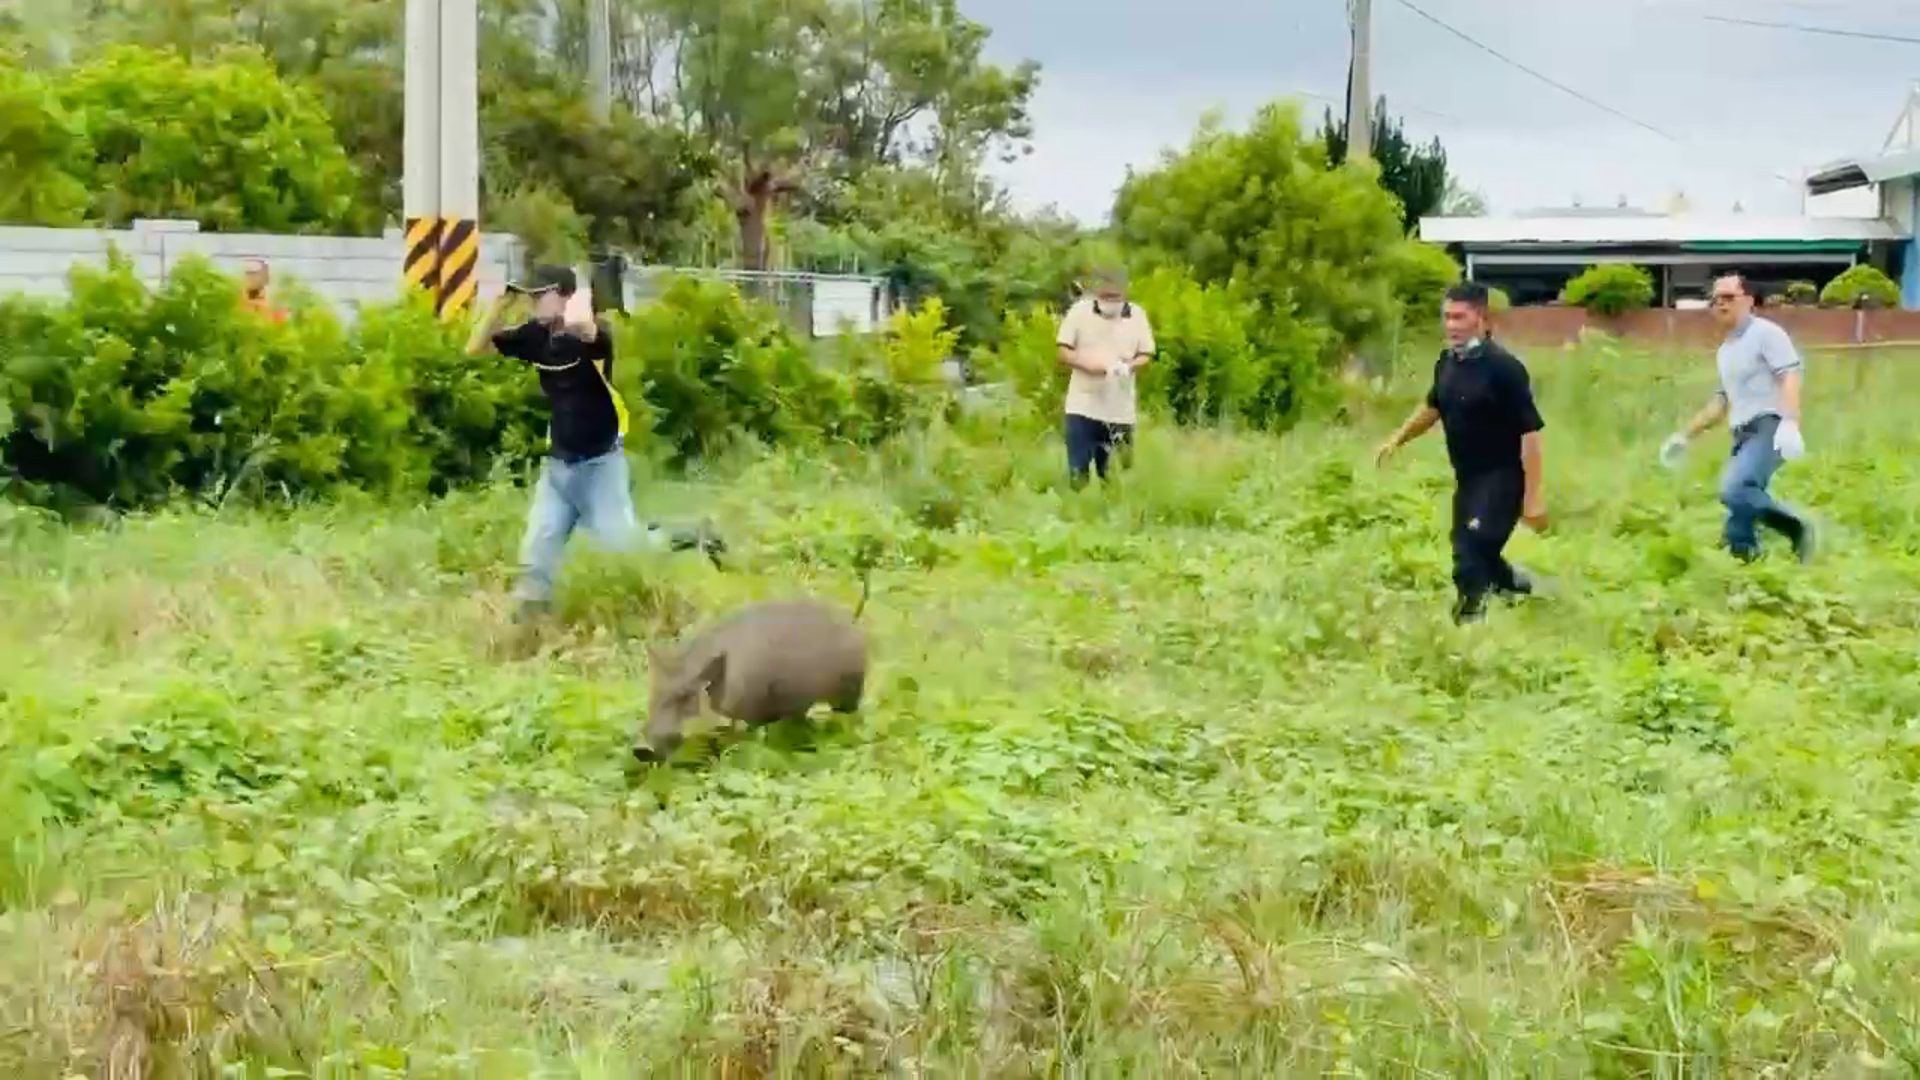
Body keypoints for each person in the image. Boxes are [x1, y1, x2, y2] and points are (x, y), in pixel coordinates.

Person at [465, 265, 725, 621]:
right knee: (536, 553)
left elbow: (584, 328)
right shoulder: (534, 336)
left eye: (542, 295)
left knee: (627, 550)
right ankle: (527, 630)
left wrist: (579, 295)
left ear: (565, 296)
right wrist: (499, 305)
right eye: (532, 295)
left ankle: (693, 535)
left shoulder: (596, 336)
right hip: (559, 469)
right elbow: (474, 349)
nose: (534, 302)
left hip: (600, 467)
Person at [1376, 282, 1548, 625]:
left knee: (1469, 552)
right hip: (1468, 479)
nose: (1451, 326)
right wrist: (1397, 438)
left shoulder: (1505, 368)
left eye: (1459, 317)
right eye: (1447, 318)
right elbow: (1433, 406)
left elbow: (1530, 434)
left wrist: (1533, 499)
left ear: (1481, 318)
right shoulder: (1447, 362)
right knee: (1475, 546)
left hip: (1503, 477)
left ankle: (1469, 623)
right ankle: (1517, 585)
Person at [1659, 273, 1814, 563]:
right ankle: (1742, 556)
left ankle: (1795, 527)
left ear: (1748, 300)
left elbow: (1789, 375)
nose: (1720, 304)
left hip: (1769, 426)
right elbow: (1721, 402)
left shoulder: (1766, 333)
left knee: (1735, 489)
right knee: (1743, 500)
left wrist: (1791, 422)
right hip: (1742, 432)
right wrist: (1683, 437)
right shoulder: (1726, 350)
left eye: (1728, 297)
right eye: (1714, 300)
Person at [1054, 267, 1154, 488]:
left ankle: (1116, 517)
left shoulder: (1137, 315)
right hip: (1083, 407)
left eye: (1115, 297)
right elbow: (1063, 351)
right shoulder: (1079, 312)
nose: (1111, 301)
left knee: (1117, 478)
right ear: (1096, 292)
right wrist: (1088, 365)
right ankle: (1078, 516)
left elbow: (1146, 354)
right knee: (1078, 475)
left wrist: (1129, 366)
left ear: (1124, 293)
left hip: (1120, 410)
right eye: (1105, 296)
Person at [240, 258, 285, 323]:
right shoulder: (237, 300)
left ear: (264, 276)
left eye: (254, 273)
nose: (250, 277)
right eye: (248, 273)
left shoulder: (274, 303)